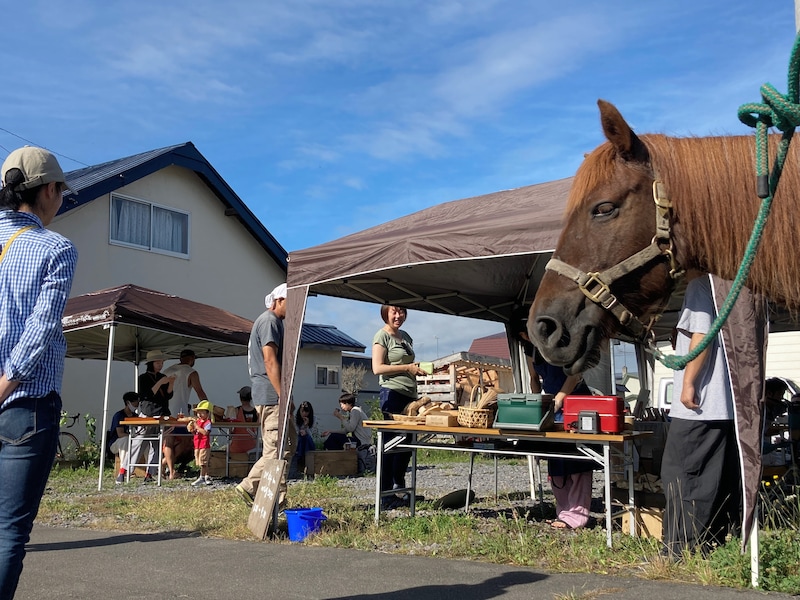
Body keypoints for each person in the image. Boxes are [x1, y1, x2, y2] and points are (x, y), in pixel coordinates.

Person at [0, 146, 78, 600]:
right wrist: (6, 382)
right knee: (8, 533)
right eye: (62, 192)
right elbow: (42, 328)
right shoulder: (55, 248)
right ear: (49, 190)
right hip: (25, 405)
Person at [661, 273, 741, 558]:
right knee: (713, 480)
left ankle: (680, 550)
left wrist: (688, 383)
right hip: (726, 406)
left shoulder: (700, 284)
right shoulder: (730, 284)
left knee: (680, 476)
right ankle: (711, 545)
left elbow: (702, 335)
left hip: (700, 405)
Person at [513, 306, 595, 529]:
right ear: (523, 335)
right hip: (551, 405)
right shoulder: (531, 351)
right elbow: (534, 378)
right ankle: (563, 513)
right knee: (555, 460)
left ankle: (578, 517)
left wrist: (560, 397)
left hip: (575, 402)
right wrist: (534, 402)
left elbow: (576, 373)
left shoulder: (562, 342)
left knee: (577, 461)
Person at [236, 283, 297, 507]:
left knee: (287, 445)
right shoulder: (270, 321)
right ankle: (267, 496)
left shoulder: (273, 322)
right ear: (279, 300)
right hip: (271, 395)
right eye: (292, 302)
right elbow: (270, 361)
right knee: (276, 450)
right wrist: (284, 395)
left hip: (272, 394)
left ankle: (261, 490)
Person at [372, 305, 426, 509]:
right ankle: (386, 494)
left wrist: (417, 369)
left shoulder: (406, 337)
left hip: (409, 395)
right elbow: (377, 368)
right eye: (394, 311)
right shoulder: (381, 336)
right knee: (391, 444)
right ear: (386, 313)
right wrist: (407, 368)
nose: (398, 315)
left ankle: (400, 489)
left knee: (407, 444)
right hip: (391, 394)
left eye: (401, 311)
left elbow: (408, 363)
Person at [161, 349, 209, 479]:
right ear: (192, 358)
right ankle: (168, 469)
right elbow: (200, 392)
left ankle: (167, 467)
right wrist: (207, 408)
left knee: (172, 441)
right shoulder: (191, 372)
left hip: (164, 410)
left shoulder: (167, 370)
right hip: (179, 412)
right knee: (185, 441)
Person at [108, 391, 146, 484]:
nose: (137, 404)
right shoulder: (119, 415)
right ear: (128, 402)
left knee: (145, 440)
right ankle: (124, 469)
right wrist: (132, 436)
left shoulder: (136, 416)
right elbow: (120, 434)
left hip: (131, 441)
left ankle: (149, 471)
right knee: (126, 440)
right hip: (116, 443)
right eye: (135, 402)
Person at [137, 350, 174, 416]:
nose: (160, 365)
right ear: (151, 363)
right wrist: (160, 383)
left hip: (163, 411)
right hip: (150, 411)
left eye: (162, 363)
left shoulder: (162, 376)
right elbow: (147, 395)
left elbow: (168, 396)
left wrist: (171, 383)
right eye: (158, 363)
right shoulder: (143, 378)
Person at [188, 400, 213, 486]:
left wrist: (197, 427)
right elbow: (196, 432)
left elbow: (206, 432)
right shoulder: (197, 422)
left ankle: (202, 477)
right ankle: (207, 476)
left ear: (207, 413)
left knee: (203, 462)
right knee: (200, 462)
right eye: (198, 412)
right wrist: (192, 430)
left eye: (202, 412)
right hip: (197, 444)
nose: (199, 414)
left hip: (204, 445)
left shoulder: (208, 423)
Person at [229, 385, 259, 455]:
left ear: (240, 398)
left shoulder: (236, 410)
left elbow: (230, 426)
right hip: (252, 446)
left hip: (237, 445)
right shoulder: (257, 412)